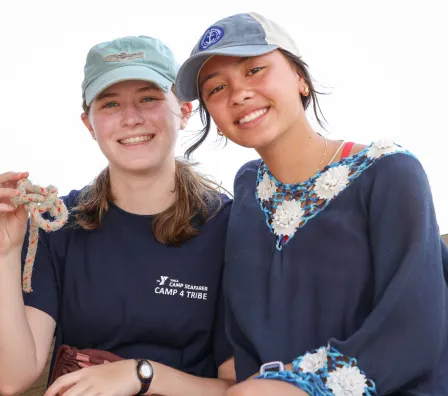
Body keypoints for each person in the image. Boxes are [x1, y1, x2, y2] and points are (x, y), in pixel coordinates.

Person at [174, 12, 448, 396]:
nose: (238, 93)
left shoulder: (388, 172)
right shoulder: (248, 192)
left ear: (300, 79)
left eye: (255, 70)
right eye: (216, 89)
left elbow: (415, 326)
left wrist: (298, 385)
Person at [0, 35, 235, 396]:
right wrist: (5, 253)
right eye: (110, 104)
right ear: (89, 124)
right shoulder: (57, 225)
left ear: (184, 110)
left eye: (148, 98)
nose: (130, 118)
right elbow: (10, 379)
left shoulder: (231, 228)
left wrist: (142, 374)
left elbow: (241, 388)